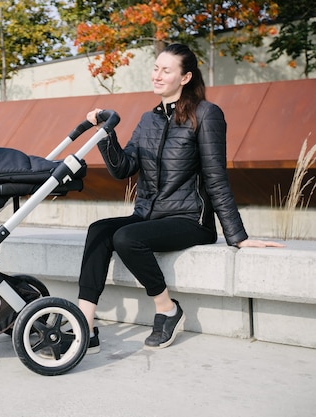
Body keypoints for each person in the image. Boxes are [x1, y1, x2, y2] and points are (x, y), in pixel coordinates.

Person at [79, 43, 284, 353]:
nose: (157, 75)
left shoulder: (206, 114)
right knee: (98, 231)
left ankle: (167, 310)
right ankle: (85, 325)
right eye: (156, 68)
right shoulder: (149, 120)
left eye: (166, 70)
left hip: (190, 220)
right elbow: (124, 169)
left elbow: (216, 176)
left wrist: (238, 237)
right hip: (149, 216)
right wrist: (105, 135)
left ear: (185, 77)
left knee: (126, 238)